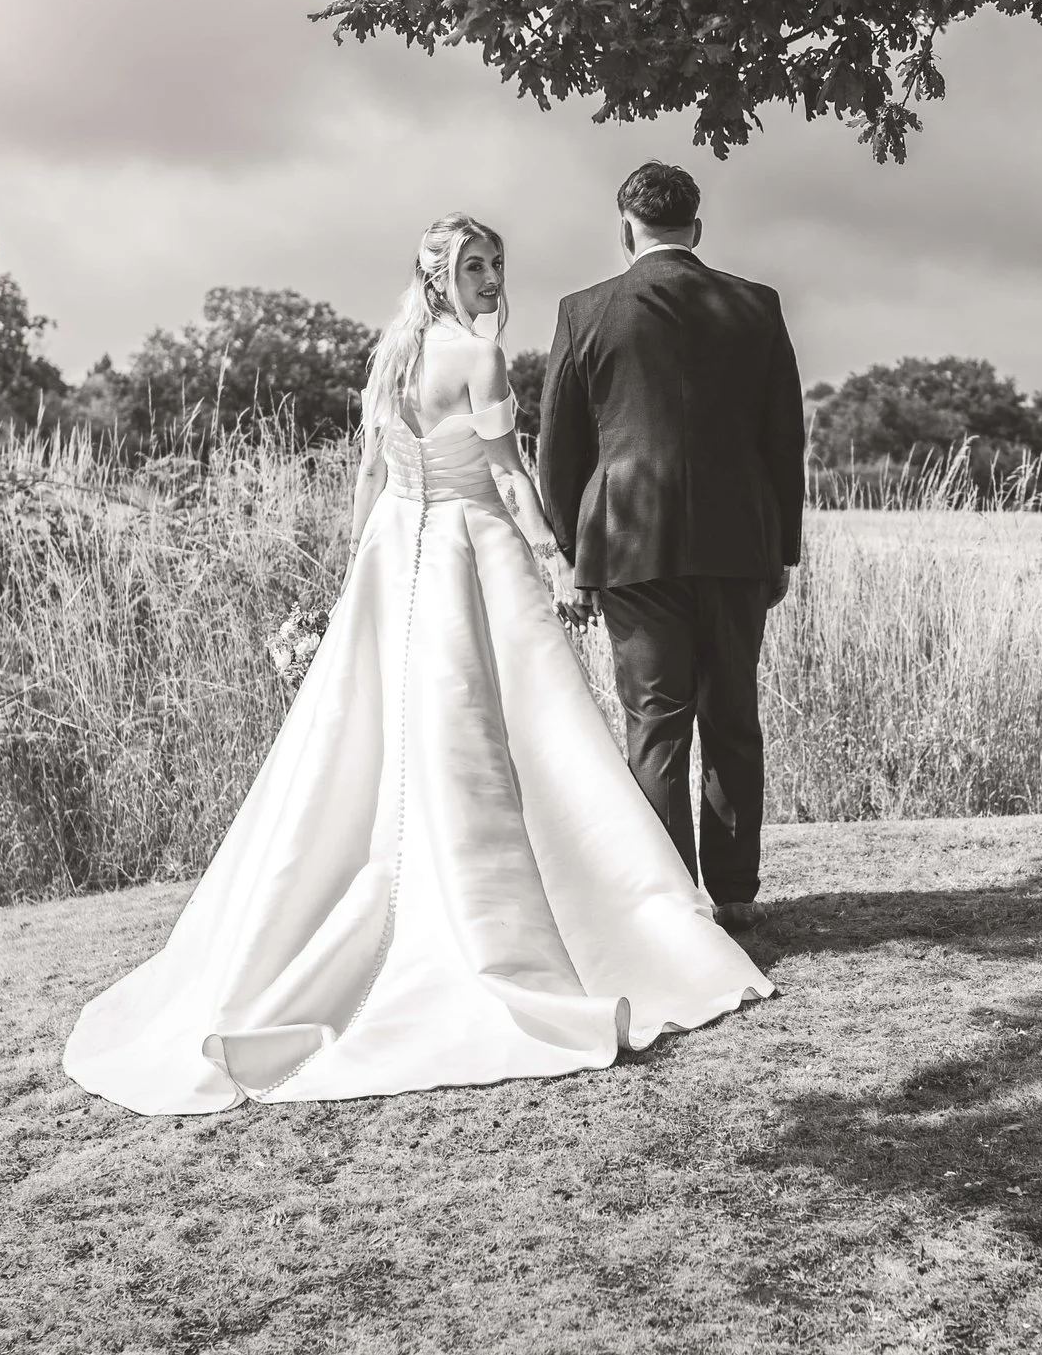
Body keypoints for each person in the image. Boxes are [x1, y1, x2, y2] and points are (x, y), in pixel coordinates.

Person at [63, 213, 770, 1116]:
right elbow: (510, 477)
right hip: (468, 549)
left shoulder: (388, 359)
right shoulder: (478, 357)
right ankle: (561, 923)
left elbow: (369, 478)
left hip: (397, 555)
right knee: (503, 730)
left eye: (496, 263)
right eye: (473, 265)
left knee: (405, 734)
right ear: (438, 276)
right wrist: (555, 554)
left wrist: (358, 571)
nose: (488, 277)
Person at [539, 163, 804, 930]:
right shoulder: (756, 306)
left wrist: (571, 549)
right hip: (736, 544)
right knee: (733, 716)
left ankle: (668, 901)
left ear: (627, 228)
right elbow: (785, 437)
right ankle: (736, 893)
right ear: (698, 226)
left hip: (627, 547)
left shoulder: (584, 311)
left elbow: (560, 448)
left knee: (654, 724)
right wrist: (782, 546)